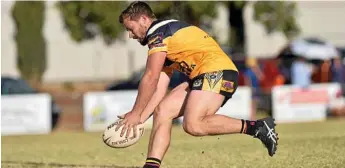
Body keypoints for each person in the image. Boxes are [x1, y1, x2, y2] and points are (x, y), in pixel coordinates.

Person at [115, 2, 279, 168]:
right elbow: (158, 88)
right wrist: (140, 119)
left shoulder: (158, 34)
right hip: (205, 74)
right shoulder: (164, 38)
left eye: (130, 28)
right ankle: (151, 165)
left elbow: (150, 77)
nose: (130, 35)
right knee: (162, 110)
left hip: (217, 72)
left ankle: (257, 127)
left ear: (143, 19)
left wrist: (135, 112)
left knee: (193, 125)